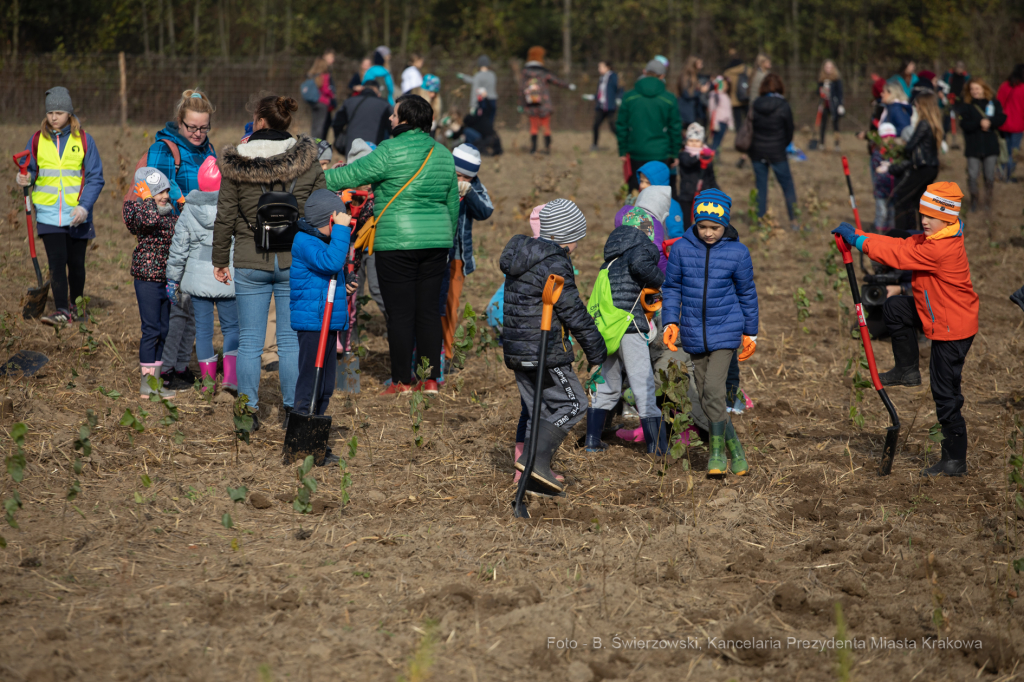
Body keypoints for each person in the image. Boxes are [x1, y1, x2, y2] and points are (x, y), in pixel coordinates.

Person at [831, 181, 978, 477]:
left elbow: (898, 257)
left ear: (947, 217)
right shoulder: (934, 237)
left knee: (945, 394)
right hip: (935, 312)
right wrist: (859, 235)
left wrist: (859, 243)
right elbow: (900, 245)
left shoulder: (941, 249)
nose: (923, 220)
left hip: (952, 328)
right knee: (895, 306)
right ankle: (907, 368)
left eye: (930, 216)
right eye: (922, 214)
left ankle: (954, 459)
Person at [324, 94, 459, 394]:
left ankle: (401, 381)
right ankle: (430, 379)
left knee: (400, 313)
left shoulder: (389, 150)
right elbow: (452, 204)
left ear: (406, 119)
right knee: (427, 312)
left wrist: (315, 177)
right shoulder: (443, 154)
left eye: (394, 114)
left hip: (396, 242)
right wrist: (445, 240)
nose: (389, 118)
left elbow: (350, 175)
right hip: (436, 243)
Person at [213, 95, 326, 431]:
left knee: (249, 341)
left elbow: (226, 217)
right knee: (289, 340)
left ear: (258, 120)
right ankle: (293, 413)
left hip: (250, 258)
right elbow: (320, 207)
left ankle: (247, 417)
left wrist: (220, 259)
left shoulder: (237, 162)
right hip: (295, 258)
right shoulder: (307, 159)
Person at [501, 199, 607, 494]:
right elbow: (574, 312)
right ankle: (535, 462)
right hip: (544, 351)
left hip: (517, 349)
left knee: (540, 409)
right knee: (574, 404)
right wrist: (596, 352)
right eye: (577, 239)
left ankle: (531, 472)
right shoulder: (556, 263)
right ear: (567, 237)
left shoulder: (521, 256)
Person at [662, 189, 758, 476]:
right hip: (692, 332)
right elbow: (672, 288)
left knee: (714, 390)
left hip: (726, 330)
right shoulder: (681, 248)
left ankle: (717, 454)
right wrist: (671, 321)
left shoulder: (737, 252)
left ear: (725, 224)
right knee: (706, 397)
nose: (707, 232)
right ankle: (736, 449)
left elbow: (747, 292)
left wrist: (750, 332)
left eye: (714, 227)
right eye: (702, 226)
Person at [15, 86, 105, 327]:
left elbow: (95, 177)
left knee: (76, 264)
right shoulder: (37, 139)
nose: (54, 117)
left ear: (69, 113)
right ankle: (62, 310)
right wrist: (25, 178)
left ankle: (76, 305)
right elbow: (31, 170)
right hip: (48, 214)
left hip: (77, 215)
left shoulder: (84, 140)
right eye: (50, 112)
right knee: (56, 262)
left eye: (59, 112)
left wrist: (84, 207)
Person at [149, 89, 217, 389]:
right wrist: (186, 203)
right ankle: (164, 367)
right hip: (170, 238)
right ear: (180, 121)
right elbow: (157, 189)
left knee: (193, 307)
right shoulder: (164, 149)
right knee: (175, 307)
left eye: (204, 128)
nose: (198, 133)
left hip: (200, 237)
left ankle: (181, 364)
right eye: (192, 127)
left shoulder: (208, 149)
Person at [585, 207, 666, 456]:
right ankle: (657, 447)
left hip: (608, 329)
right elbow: (643, 266)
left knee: (608, 386)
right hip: (630, 326)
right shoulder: (643, 247)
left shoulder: (610, 258)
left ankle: (592, 441)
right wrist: (662, 281)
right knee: (643, 385)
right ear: (648, 232)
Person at [165, 156, 238, 394]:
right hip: (227, 276)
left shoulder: (189, 211)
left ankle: (207, 384)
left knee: (204, 331)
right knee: (231, 329)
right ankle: (231, 379)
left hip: (197, 281)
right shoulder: (234, 208)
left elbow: (178, 249)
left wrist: (172, 279)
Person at [289, 189, 352, 463]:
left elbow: (332, 272)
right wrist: (342, 230)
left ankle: (315, 443)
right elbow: (331, 263)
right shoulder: (304, 240)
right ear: (327, 218)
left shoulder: (321, 239)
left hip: (327, 322)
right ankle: (301, 445)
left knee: (325, 386)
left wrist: (345, 285)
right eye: (336, 219)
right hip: (313, 323)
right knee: (309, 385)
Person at [124, 167, 178, 398]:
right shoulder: (136, 210)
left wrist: (182, 202)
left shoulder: (167, 211)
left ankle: (155, 383)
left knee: (164, 329)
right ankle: (147, 384)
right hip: (146, 279)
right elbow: (148, 221)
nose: (165, 196)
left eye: (166, 190)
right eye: (159, 192)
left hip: (165, 279)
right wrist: (147, 200)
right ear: (144, 193)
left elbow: (181, 228)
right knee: (151, 330)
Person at [442, 144, 493, 369]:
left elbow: (485, 211)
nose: (459, 180)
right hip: (436, 251)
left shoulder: (475, 188)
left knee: (450, 305)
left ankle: (448, 353)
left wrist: (470, 192)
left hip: (457, 257)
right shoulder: (440, 180)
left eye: (465, 177)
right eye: (456, 175)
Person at [616, 59, 682, 194]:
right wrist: (674, 152)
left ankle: (634, 215)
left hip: (635, 152)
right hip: (661, 153)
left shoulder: (629, 97)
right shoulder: (669, 98)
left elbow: (621, 125)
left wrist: (623, 149)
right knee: (659, 192)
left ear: (644, 72)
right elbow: (675, 128)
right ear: (662, 76)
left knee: (636, 191)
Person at [749, 73, 798, 228]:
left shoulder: (756, 103)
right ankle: (794, 221)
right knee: (787, 186)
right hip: (777, 152)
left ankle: (760, 222)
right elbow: (789, 130)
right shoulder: (783, 105)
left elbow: (751, 128)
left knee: (761, 188)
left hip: (757, 151)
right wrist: (783, 144)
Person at [890, 92, 942, 233]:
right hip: (931, 167)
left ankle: (901, 234)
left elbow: (910, 146)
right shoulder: (933, 123)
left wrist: (902, 146)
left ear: (922, 106)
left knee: (901, 198)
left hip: (922, 168)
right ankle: (922, 233)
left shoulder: (924, 124)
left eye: (917, 104)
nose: (915, 107)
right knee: (920, 202)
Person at [957, 78, 1006, 212]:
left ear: (984, 89)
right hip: (973, 147)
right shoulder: (966, 106)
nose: (974, 92)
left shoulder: (994, 103)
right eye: (972, 89)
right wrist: (979, 123)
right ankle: (974, 200)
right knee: (973, 176)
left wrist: (990, 122)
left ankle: (988, 201)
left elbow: (1002, 118)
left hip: (990, 146)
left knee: (989, 176)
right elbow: (963, 124)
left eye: (977, 88)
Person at [520, 46, 575, 154]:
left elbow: (521, 89)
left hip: (531, 104)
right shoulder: (543, 72)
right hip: (544, 104)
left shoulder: (525, 72)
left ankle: (533, 149)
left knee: (534, 127)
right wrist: (568, 86)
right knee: (545, 126)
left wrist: (521, 104)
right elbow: (557, 81)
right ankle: (547, 149)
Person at [332, 78, 392, 157]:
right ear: (377, 90)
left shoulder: (349, 102)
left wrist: (339, 138)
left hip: (351, 146)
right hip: (374, 147)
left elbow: (336, 123)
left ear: (363, 88)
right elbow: (392, 127)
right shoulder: (384, 104)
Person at [678, 123, 718, 229]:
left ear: (702, 142)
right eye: (691, 141)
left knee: (702, 223)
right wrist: (700, 156)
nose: (694, 144)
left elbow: (711, 177)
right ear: (686, 142)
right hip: (687, 195)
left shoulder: (707, 157)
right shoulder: (684, 155)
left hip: (703, 196)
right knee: (686, 224)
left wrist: (717, 191)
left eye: (697, 141)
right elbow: (689, 162)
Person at [996, 64, 1024, 182]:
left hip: (1003, 124)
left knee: (1004, 150)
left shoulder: (1004, 86)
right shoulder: (1022, 88)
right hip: (1017, 125)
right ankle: (1008, 175)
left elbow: (998, 103)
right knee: (1014, 151)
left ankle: (1002, 174)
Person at [871, 122, 899, 231]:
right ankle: (878, 231)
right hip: (881, 190)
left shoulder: (896, 153)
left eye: (891, 137)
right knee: (882, 212)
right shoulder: (878, 154)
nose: (888, 140)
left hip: (893, 189)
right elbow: (876, 169)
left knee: (892, 213)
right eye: (885, 137)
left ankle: (891, 233)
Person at [306, 50, 337, 141]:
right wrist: (332, 95)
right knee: (321, 126)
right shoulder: (325, 75)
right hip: (323, 103)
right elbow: (326, 90)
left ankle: (313, 144)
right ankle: (319, 145)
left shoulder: (313, 75)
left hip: (314, 102)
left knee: (315, 125)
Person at [459, 55, 498, 121]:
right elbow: (474, 80)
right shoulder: (493, 75)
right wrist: (464, 77)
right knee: (490, 122)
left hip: (483, 102)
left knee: (481, 123)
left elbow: (475, 90)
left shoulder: (478, 76)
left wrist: (473, 106)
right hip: (493, 101)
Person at [817, 60, 845, 151]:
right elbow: (818, 92)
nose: (828, 69)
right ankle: (821, 143)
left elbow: (840, 93)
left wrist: (840, 105)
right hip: (824, 105)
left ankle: (837, 144)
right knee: (823, 124)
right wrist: (822, 91)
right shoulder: (821, 79)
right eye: (826, 67)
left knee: (835, 125)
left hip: (834, 105)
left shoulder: (836, 80)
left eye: (830, 67)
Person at [676, 56, 710, 130]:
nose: (701, 66)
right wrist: (701, 91)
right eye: (699, 64)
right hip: (686, 112)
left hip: (694, 111)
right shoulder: (686, 76)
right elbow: (686, 94)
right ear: (693, 64)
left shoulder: (695, 76)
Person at [591, 61, 619, 150]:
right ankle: (595, 145)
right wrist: (593, 97)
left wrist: (618, 99)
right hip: (601, 106)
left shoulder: (613, 77)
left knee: (613, 127)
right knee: (595, 126)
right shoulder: (601, 78)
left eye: (601, 67)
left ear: (607, 67)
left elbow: (620, 88)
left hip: (610, 107)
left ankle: (623, 144)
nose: (599, 69)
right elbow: (600, 93)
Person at [722, 49, 752, 129]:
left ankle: (739, 136)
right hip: (746, 97)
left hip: (734, 99)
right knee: (749, 120)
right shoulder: (747, 70)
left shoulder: (727, 72)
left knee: (738, 122)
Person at [707, 76, 733, 151]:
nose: (725, 87)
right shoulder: (714, 95)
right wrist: (714, 123)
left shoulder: (727, 96)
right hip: (717, 122)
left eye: (727, 85)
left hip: (724, 122)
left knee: (720, 141)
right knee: (715, 141)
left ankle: (716, 155)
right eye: (723, 84)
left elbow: (729, 111)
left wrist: (731, 123)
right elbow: (712, 110)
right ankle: (712, 156)